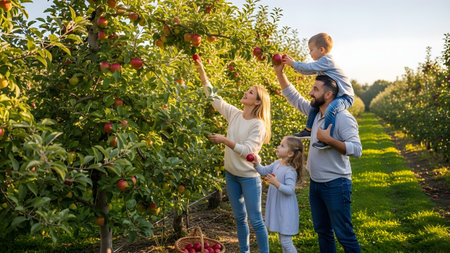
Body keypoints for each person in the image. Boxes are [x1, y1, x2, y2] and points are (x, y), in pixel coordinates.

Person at [274, 62, 362, 253]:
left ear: (329, 94)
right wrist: (279, 73)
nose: (311, 93)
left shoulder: (343, 118)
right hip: (316, 184)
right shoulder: (316, 114)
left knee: (344, 234)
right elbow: (293, 97)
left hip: (336, 184)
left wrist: (329, 140)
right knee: (323, 232)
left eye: (315, 89)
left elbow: (357, 150)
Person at [194, 56, 271, 253]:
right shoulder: (235, 114)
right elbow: (214, 99)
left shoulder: (258, 125)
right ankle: (244, 251)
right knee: (239, 218)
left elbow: (248, 151)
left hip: (248, 178)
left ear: (257, 102)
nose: (246, 92)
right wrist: (202, 71)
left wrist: (225, 140)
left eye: (251, 92)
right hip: (231, 174)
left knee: (255, 220)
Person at [283, 33, 354, 150]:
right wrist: (293, 65)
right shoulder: (321, 65)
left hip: (345, 97)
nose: (309, 53)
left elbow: (309, 67)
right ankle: (308, 130)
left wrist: (294, 64)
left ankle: (327, 138)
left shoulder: (327, 61)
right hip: (336, 96)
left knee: (331, 109)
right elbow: (307, 71)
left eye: (311, 50)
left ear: (321, 50)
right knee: (314, 105)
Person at [251, 136, 304, 253]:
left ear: (290, 153)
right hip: (279, 208)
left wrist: (276, 183)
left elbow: (290, 190)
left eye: (282, 146)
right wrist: (256, 164)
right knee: (283, 240)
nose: (278, 147)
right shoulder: (277, 163)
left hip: (286, 210)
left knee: (286, 242)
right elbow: (264, 171)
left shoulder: (290, 170)